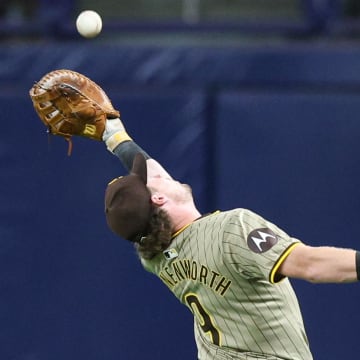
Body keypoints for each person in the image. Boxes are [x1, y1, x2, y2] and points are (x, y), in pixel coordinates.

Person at [99, 117, 359, 360]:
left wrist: (115, 137)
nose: (161, 174)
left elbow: (151, 178)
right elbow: (310, 265)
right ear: (158, 199)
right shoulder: (230, 230)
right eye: (152, 182)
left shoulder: (155, 257)